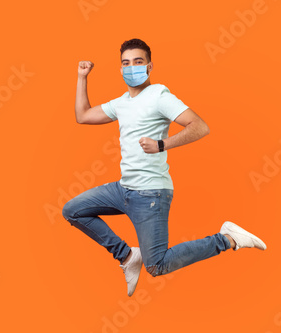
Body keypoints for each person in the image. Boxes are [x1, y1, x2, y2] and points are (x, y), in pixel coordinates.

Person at [62, 38, 267, 297]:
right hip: (123, 188)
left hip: (150, 194)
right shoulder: (122, 102)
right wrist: (82, 77)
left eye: (138, 62)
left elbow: (199, 126)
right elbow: (83, 116)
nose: (131, 67)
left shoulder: (159, 96)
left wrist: (162, 144)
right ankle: (127, 256)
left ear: (149, 67)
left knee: (157, 266)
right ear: (120, 68)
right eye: (126, 63)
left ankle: (227, 238)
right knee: (72, 211)